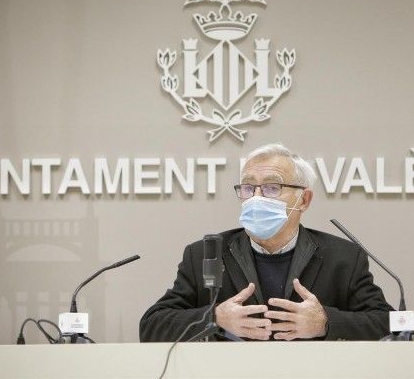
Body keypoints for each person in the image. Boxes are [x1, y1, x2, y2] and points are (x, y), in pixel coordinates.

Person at [139, 143, 392, 341]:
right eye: (248, 188)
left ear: (304, 200)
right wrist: (214, 318)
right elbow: (151, 325)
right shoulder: (205, 254)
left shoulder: (343, 257)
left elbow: (391, 324)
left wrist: (325, 322)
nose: (256, 198)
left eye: (272, 187)